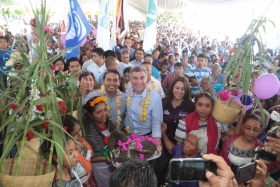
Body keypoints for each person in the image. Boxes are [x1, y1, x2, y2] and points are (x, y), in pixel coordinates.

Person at [175, 93, 245, 154]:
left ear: (212, 107)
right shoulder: (185, 121)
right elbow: (179, 145)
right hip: (191, 160)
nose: (203, 109)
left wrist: (241, 117)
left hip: (212, 159)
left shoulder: (218, 121)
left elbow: (235, 133)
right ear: (195, 105)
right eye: (200, 105)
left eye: (207, 106)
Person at [155, 76, 194, 186]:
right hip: (163, 143)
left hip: (181, 146)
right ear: (172, 88)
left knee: (178, 176)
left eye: (183, 89)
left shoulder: (191, 106)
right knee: (160, 171)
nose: (179, 91)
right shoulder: (163, 102)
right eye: (177, 87)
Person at [124, 66, 163, 144]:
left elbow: (157, 123)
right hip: (128, 136)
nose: (139, 82)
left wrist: (157, 142)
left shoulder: (155, 97)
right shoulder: (128, 91)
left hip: (146, 138)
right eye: (135, 78)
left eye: (142, 78)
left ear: (147, 79)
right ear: (130, 79)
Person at [83, 96, 116, 187]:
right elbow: (87, 158)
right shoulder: (88, 132)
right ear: (90, 114)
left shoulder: (110, 123)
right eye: (99, 112)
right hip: (101, 169)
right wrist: (105, 158)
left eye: (105, 110)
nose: (104, 114)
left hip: (115, 165)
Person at [62, 114, 98, 187]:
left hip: (91, 181)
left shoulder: (83, 142)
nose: (80, 135)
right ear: (66, 135)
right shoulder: (67, 155)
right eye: (75, 133)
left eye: (80, 130)